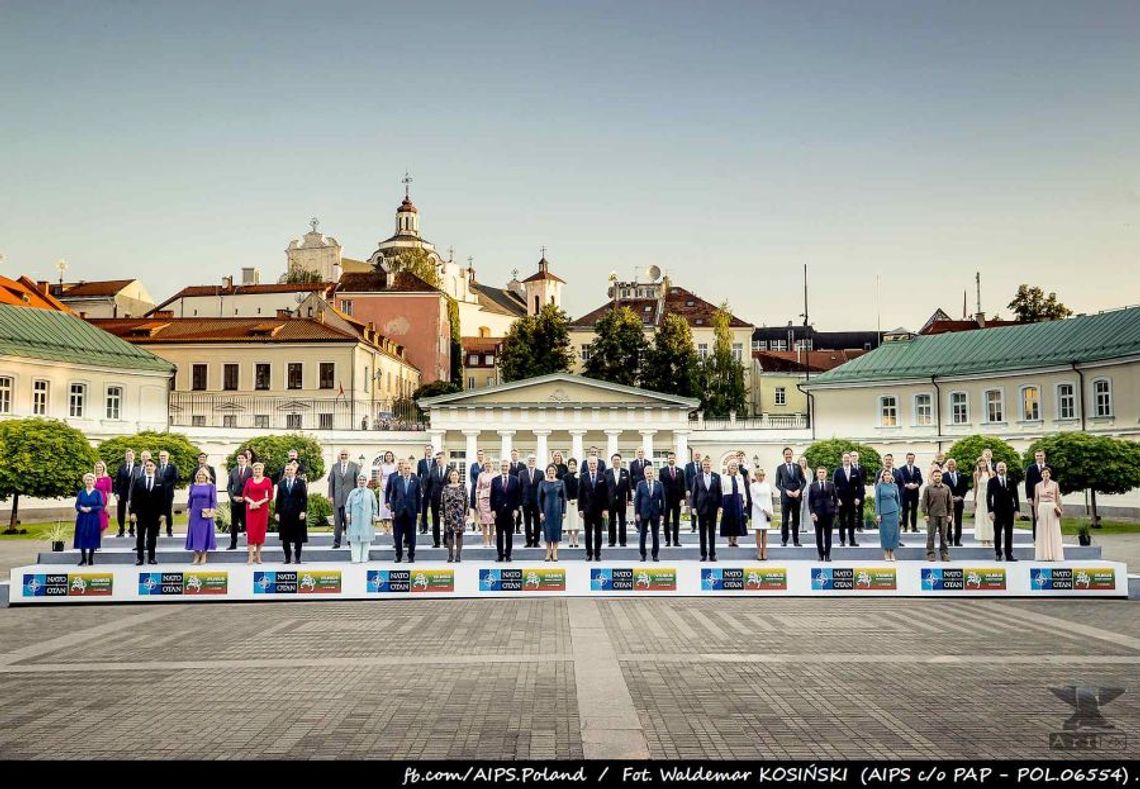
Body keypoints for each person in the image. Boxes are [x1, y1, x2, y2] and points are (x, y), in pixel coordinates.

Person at [130, 459, 164, 566]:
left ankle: (152, 558)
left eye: (151, 465)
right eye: (147, 466)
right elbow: (133, 498)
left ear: (155, 468)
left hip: (155, 514)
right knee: (140, 536)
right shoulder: (139, 480)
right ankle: (140, 558)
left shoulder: (161, 481)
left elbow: (164, 499)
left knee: (152, 537)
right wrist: (133, 513)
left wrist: (163, 513)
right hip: (140, 514)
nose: (149, 467)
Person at [386, 459, 421, 563]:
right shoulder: (396, 480)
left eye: (409, 468)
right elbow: (393, 496)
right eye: (405, 468)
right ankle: (398, 556)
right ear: (401, 469)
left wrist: (419, 511)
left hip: (412, 511)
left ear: (411, 469)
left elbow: (419, 497)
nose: (407, 470)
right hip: (398, 511)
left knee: (412, 535)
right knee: (398, 535)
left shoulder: (416, 480)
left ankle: (411, 556)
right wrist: (392, 510)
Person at [275, 462, 308, 564]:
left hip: (297, 513)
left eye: (291, 470)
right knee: (285, 537)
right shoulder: (281, 483)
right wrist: (277, 512)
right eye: (287, 470)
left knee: (298, 537)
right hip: (285, 513)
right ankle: (287, 558)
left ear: (295, 471)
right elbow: (278, 499)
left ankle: (297, 558)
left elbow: (305, 498)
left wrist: (303, 511)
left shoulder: (301, 482)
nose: (289, 471)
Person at [987, 461, 1020, 562]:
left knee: (1009, 533)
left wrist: (1017, 510)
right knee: (997, 533)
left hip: (1009, 511)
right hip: (997, 511)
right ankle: (998, 553)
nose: (1001, 468)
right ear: (996, 469)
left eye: (1003, 467)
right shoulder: (992, 481)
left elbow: (1016, 496)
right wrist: (990, 511)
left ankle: (1009, 554)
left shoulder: (1011, 480)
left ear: (1006, 469)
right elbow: (988, 497)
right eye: (999, 467)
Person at [578, 457, 610, 561]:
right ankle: (589, 553)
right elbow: (580, 494)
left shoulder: (602, 476)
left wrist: (605, 509)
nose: (592, 465)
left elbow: (606, 494)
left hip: (599, 509)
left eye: (594, 463)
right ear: (587, 465)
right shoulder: (583, 476)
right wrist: (580, 509)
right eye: (590, 464)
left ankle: (597, 553)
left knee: (598, 533)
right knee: (588, 533)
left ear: (597, 464)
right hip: (587, 509)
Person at [328, 449, 360, 550]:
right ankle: (336, 543)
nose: (344, 456)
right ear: (339, 455)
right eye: (342, 454)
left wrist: (357, 497)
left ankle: (350, 542)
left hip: (350, 499)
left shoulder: (355, 466)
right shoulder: (335, 466)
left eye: (346, 454)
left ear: (349, 455)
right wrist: (330, 496)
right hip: (337, 498)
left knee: (349, 522)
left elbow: (357, 483)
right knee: (337, 522)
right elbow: (331, 482)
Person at [490, 459, 521, 562]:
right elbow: (492, 496)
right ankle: (499, 555)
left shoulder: (515, 480)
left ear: (509, 467)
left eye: (506, 466)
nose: (504, 468)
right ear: (500, 467)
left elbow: (517, 496)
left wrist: (516, 509)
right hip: (498, 511)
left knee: (509, 535)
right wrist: (493, 510)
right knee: (499, 535)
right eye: (502, 466)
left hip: (510, 511)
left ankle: (508, 555)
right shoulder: (495, 480)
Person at [242, 462, 273, 565]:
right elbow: (244, 495)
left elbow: (270, 496)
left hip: (262, 508)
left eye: (259, 469)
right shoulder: (249, 480)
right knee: (251, 532)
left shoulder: (267, 480)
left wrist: (259, 503)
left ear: (262, 470)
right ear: (253, 470)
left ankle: (258, 556)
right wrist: (252, 502)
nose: (257, 471)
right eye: (256, 469)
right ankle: (251, 556)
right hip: (251, 509)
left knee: (260, 532)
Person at [185, 467, 217, 565]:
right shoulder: (193, 486)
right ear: (196, 476)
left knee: (205, 533)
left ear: (206, 476)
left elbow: (213, 500)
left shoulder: (211, 486)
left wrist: (212, 511)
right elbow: (190, 499)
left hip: (205, 512)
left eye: (203, 475)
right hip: (195, 512)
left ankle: (204, 555)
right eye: (199, 475)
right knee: (194, 533)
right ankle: (196, 555)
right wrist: (188, 510)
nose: (201, 476)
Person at [692, 457, 722, 562]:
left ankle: (712, 554)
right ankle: (703, 554)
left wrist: (720, 506)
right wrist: (693, 507)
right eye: (704, 465)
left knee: (712, 533)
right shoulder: (697, 477)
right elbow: (694, 493)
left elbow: (719, 492)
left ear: (711, 466)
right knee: (702, 533)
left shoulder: (716, 477)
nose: (706, 467)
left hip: (713, 508)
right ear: (702, 466)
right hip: (701, 508)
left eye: (708, 465)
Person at [345, 473, 378, 564]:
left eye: (364, 480)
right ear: (358, 481)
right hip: (355, 519)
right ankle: (355, 558)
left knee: (366, 539)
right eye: (360, 480)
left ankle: (364, 557)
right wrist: (348, 514)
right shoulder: (353, 492)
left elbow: (375, 505)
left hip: (366, 519)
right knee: (355, 539)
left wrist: (374, 514)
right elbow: (348, 504)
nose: (362, 481)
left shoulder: (370, 492)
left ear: (366, 481)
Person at [920, 468, 952, 562]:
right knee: (931, 535)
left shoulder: (946, 488)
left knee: (944, 536)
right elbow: (924, 502)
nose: (937, 477)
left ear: (941, 477)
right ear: (932, 477)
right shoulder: (928, 488)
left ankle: (944, 554)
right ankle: (931, 554)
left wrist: (950, 514)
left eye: (939, 476)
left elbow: (950, 502)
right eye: (935, 476)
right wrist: (925, 513)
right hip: (931, 515)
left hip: (944, 515)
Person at [775, 447, 805, 547]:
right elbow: (777, 484)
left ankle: (796, 541)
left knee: (796, 520)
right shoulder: (780, 468)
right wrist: (786, 491)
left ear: (792, 455)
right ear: (784, 456)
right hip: (786, 498)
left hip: (796, 497)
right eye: (786, 454)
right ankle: (784, 540)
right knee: (785, 520)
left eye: (790, 454)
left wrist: (799, 490)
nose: (788, 455)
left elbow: (803, 482)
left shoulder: (798, 467)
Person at [634, 465, 665, 562]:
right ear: (644, 474)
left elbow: (663, 500)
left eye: (651, 473)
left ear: (654, 473)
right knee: (642, 535)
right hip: (643, 513)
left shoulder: (659, 484)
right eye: (647, 473)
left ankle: (655, 555)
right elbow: (637, 500)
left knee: (655, 535)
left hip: (655, 513)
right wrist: (637, 513)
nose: (649, 475)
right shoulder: (640, 484)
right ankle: (643, 555)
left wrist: (662, 514)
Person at [808, 467, 838, 562]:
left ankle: (827, 555)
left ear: (826, 474)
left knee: (828, 536)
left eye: (823, 472)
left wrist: (835, 511)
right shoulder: (812, 486)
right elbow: (810, 502)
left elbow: (836, 500)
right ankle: (820, 555)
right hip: (817, 515)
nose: (821, 474)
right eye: (819, 472)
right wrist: (812, 513)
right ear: (817, 474)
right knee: (819, 536)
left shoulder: (831, 485)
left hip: (829, 514)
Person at [1034, 466, 1064, 561]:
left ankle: (1054, 555)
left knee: (1053, 530)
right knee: (1042, 530)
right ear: (1041, 475)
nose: (1045, 475)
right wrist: (1035, 512)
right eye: (1043, 473)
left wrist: (1060, 509)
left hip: (1052, 507)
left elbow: (1058, 497)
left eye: (1047, 473)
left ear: (1050, 474)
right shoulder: (1037, 485)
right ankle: (1043, 555)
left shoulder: (1055, 484)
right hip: (1042, 507)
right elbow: (1036, 499)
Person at [538, 464, 567, 562]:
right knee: (548, 532)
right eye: (549, 471)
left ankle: (554, 553)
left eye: (553, 471)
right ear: (547, 472)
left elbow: (564, 498)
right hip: (546, 510)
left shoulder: (561, 482)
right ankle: (548, 552)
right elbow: (539, 499)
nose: (551, 472)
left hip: (557, 510)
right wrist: (541, 512)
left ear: (556, 472)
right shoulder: (542, 483)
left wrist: (564, 511)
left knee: (556, 532)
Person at [74, 473, 104, 566]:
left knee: (92, 536)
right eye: (87, 480)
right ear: (84, 481)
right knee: (82, 536)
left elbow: (101, 505)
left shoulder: (97, 493)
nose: (89, 482)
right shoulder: (81, 493)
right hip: (82, 517)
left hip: (93, 517)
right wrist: (81, 508)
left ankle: (90, 558)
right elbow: (77, 505)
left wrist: (91, 508)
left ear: (94, 481)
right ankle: (83, 558)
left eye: (90, 480)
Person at [719, 460, 750, 548]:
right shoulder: (723, 477)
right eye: (732, 466)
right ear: (728, 467)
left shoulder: (740, 477)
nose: (734, 468)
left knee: (737, 519)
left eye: (735, 466)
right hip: (727, 499)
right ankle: (729, 540)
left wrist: (744, 501)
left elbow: (743, 490)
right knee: (728, 519)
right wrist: (720, 504)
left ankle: (735, 540)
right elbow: (721, 490)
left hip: (738, 499)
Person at [423, 451, 450, 548]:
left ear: (444, 458)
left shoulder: (451, 470)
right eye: (437, 458)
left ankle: (447, 541)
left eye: (440, 458)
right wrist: (428, 499)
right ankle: (437, 542)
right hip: (435, 500)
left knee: (447, 521)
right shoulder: (432, 470)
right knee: (435, 521)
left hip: (448, 501)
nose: (438, 460)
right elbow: (428, 486)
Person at [833, 453, 860, 548]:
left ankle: (852, 541)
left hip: (852, 500)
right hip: (841, 500)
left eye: (848, 458)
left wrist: (858, 498)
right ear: (842, 459)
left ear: (851, 459)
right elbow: (834, 487)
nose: (846, 459)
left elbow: (860, 486)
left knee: (852, 521)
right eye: (845, 458)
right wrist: (837, 499)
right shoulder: (838, 471)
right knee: (842, 521)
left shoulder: (855, 471)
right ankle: (842, 540)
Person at [226, 452, 252, 550]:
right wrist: (233, 497)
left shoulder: (251, 471)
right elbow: (229, 486)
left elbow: (252, 485)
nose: (240, 460)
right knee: (234, 524)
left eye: (242, 458)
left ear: (246, 459)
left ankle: (250, 544)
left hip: (246, 500)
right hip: (235, 501)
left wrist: (245, 497)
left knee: (248, 523)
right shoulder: (233, 471)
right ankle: (233, 544)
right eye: (238, 458)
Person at [874, 469, 901, 561]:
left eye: (888, 474)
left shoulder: (895, 486)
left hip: (894, 511)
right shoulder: (879, 486)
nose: (887, 476)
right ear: (882, 476)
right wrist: (878, 513)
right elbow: (877, 500)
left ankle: (892, 552)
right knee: (885, 533)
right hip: (883, 512)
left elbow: (898, 500)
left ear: (891, 476)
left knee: (894, 533)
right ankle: (886, 552)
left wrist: (899, 513)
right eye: (885, 475)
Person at [441, 469, 467, 562]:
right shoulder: (446, 488)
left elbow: (467, 502)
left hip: (459, 515)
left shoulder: (463, 487)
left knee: (459, 535)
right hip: (448, 515)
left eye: (455, 475)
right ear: (449, 477)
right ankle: (450, 555)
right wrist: (442, 515)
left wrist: (466, 514)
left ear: (459, 476)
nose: (454, 477)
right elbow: (442, 503)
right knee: (449, 535)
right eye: (452, 475)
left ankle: (458, 556)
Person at [661, 451, 685, 548]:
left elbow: (683, 485)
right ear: (667, 459)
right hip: (666, 499)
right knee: (666, 520)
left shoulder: (681, 471)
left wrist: (683, 498)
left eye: (673, 458)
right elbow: (661, 487)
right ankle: (667, 540)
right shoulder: (663, 471)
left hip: (677, 500)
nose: (671, 459)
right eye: (669, 458)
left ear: (675, 459)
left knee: (676, 520)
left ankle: (676, 540)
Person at [606, 453, 632, 547]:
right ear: (611, 461)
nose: (616, 461)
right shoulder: (607, 472)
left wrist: (629, 499)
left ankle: (623, 541)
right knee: (611, 521)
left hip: (622, 500)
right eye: (614, 460)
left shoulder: (625, 472)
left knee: (622, 521)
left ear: (620, 461)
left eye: (618, 459)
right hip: (610, 500)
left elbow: (629, 487)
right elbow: (605, 488)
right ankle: (611, 541)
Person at [749, 468, 774, 561]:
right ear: (756, 476)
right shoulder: (753, 486)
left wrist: (770, 512)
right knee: (758, 531)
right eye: (759, 475)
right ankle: (759, 551)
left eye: (762, 475)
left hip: (767, 510)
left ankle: (764, 550)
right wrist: (763, 510)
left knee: (765, 531)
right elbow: (754, 499)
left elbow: (769, 499)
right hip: (757, 510)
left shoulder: (767, 485)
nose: (761, 477)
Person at [113, 449, 139, 538]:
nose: (129, 457)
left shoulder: (137, 467)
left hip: (133, 493)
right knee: (121, 512)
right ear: (125, 457)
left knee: (133, 511)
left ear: (134, 457)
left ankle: (132, 530)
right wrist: (116, 493)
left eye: (131, 455)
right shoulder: (121, 467)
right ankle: (121, 530)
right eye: (127, 455)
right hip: (122, 493)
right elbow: (117, 481)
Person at [943, 458, 968, 547]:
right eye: (949, 464)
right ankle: (949, 540)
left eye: (953, 464)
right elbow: (942, 489)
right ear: (947, 466)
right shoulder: (943, 476)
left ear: (955, 465)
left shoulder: (961, 475)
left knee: (958, 522)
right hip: (948, 503)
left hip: (959, 502)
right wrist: (950, 497)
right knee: (948, 522)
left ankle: (957, 540)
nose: (951, 466)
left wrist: (961, 497)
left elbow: (965, 488)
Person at [519, 456, 543, 548]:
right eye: (529, 460)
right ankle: (528, 541)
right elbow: (520, 489)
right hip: (526, 501)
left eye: (533, 460)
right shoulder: (522, 473)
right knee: (527, 522)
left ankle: (536, 541)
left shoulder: (540, 473)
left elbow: (542, 489)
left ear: (535, 462)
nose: (531, 462)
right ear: (527, 462)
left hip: (537, 502)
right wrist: (520, 503)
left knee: (537, 522)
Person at [1025, 449, 1047, 540]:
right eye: (1037, 456)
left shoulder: (1049, 467)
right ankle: (1036, 539)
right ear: (1035, 457)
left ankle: (1046, 538)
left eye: (1041, 455)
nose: (1039, 457)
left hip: (1047, 497)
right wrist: (1029, 497)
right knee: (1036, 517)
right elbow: (1027, 483)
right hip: (1035, 497)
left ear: (1044, 456)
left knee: (1047, 517)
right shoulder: (1030, 468)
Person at [156, 450, 178, 538]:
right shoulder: (156, 466)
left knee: (168, 512)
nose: (163, 457)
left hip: (168, 493)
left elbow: (175, 479)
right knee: (157, 512)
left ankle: (169, 530)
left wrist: (164, 486)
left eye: (164, 456)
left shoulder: (172, 467)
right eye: (161, 456)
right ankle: (156, 530)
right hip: (157, 493)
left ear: (168, 457)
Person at [897, 453, 922, 534]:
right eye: (909, 458)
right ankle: (905, 527)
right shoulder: (901, 469)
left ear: (914, 459)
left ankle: (914, 527)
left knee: (914, 510)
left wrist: (916, 485)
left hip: (914, 492)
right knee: (905, 511)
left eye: (912, 458)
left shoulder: (917, 469)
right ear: (906, 458)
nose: (910, 460)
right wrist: (906, 485)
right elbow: (899, 480)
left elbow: (920, 480)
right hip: (905, 493)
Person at [973, 457, 995, 548]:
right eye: (980, 462)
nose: (982, 463)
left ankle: (989, 539)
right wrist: (974, 499)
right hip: (980, 496)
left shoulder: (991, 473)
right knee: (981, 517)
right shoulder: (976, 474)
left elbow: (994, 486)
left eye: (983, 461)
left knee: (989, 517)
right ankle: (982, 539)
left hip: (989, 495)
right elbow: (975, 487)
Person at [377, 450, 398, 535]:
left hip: (392, 488)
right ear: (385, 457)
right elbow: (379, 477)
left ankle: (391, 528)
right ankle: (385, 528)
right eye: (387, 456)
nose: (388, 457)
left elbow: (396, 477)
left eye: (390, 456)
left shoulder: (395, 466)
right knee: (384, 508)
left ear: (392, 457)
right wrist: (382, 486)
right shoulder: (382, 466)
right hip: (383, 488)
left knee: (391, 509)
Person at [475, 459, 495, 547]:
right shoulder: (481, 475)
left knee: (492, 521)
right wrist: (476, 501)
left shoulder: (496, 474)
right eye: (486, 463)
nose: (488, 465)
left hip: (493, 499)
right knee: (484, 521)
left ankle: (491, 541)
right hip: (482, 499)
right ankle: (485, 541)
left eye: (489, 463)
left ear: (492, 464)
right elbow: (478, 489)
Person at [684, 450, 703, 533]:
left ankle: (702, 525)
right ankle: (693, 526)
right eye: (696, 455)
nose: (697, 456)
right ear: (693, 456)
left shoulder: (703, 465)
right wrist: (687, 489)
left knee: (702, 508)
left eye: (699, 455)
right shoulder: (688, 466)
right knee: (693, 508)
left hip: (702, 491)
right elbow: (685, 478)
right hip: (692, 491)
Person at [563, 458, 581, 548]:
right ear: (568, 465)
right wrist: (569, 499)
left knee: (577, 521)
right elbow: (564, 489)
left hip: (578, 502)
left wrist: (577, 499)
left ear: (576, 465)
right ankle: (570, 537)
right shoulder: (565, 477)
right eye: (570, 464)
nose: (572, 466)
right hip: (568, 502)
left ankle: (576, 538)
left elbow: (581, 489)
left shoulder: (580, 476)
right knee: (569, 521)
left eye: (574, 464)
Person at [93, 461, 113, 534]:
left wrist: (108, 505)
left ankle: (100, 543)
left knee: (103, 524)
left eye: (100, 467)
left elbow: (109, 493)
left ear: (103, 468)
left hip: (103, 503)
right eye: (97, 467)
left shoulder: (107, 479)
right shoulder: (92, 478)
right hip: (93, 504)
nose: (98, 468)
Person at [850, 451, 866, 532]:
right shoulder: (847, 467)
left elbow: (864, 480)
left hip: (860, 492)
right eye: (852, 456)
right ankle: (851, 526)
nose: (854, 457)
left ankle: (860, 526)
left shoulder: (862, 467)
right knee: (851, 510)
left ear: (858, 457)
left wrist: (859, 490)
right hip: (850, 492)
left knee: (860, 509)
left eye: (855, 456)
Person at [797, 455, 812, 535]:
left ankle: (805, 527)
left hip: (808, 493)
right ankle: (800, 527)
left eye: (804, 461)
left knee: (807, 510)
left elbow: (810, 482)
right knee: (800, 510)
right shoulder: (797, 471)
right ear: (799, 462)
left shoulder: (809, 471)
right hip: (799, 493)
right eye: (801, 460)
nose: (802, 462)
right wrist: (801, 491)